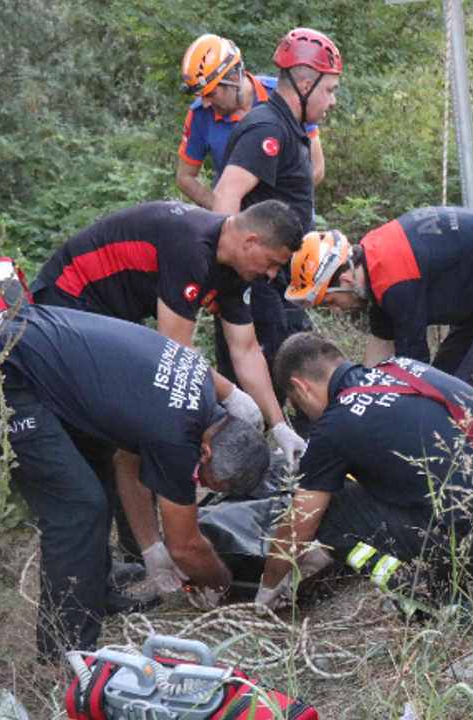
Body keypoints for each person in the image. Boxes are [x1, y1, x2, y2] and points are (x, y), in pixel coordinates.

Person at [0, 305, 270, 663]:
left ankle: (96, 594)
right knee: (78, 508)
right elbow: (187, 548)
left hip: (27, 345)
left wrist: (149, 547)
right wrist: (222, 583)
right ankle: (62, 655)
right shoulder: (178, 438)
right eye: (208, 481)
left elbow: (125, 460)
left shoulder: (200, 393)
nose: (200, 485)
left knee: (96, 459)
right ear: (205, 453)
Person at [255, 333, 473, 611]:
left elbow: (300, 522)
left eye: (298, 405)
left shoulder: (334, 426)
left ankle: (436, 604)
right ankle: (445, 584)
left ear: (300, 388)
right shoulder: (401, 368)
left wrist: (269, 586)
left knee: (330, 509)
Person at [28, 200, 307, 462]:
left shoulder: (239, 270)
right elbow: (174, 347)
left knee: (136, 428)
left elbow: (245, 349)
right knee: (108, 427)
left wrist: (279, 425)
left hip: (118, 315)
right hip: (69, 299)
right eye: (273, 263)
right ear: (250, 241)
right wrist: (230, 394)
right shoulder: (191, 245)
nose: (272, 274)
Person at [285, 208, 473, 394]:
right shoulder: (373, 261)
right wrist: (359, 398)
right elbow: (380, 342)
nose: (335, 309)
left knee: (469, 395)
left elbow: (414, 371)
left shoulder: (397, 285)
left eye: (329, 301)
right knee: (447, 382)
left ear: (344, 280)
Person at [210, 28, 343, 397]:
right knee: (266, 373)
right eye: (329, 90)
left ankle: (300, 449)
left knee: (294, 367)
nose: (332, 101)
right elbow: (225, 196)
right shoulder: (267, 127)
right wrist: (230, 274)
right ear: (305, 83)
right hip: (259, 280)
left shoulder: (290, 126)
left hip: (281, 277)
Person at [176, 33, 324, 210]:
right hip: (235, 226)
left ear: (233, 81)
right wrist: (220, 205)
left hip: (291, 220)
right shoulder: (200, 114)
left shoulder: (286, 96)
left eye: (210, 94)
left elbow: (316, 169)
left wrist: (274, 215)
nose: (206, 102)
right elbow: (185, 177)